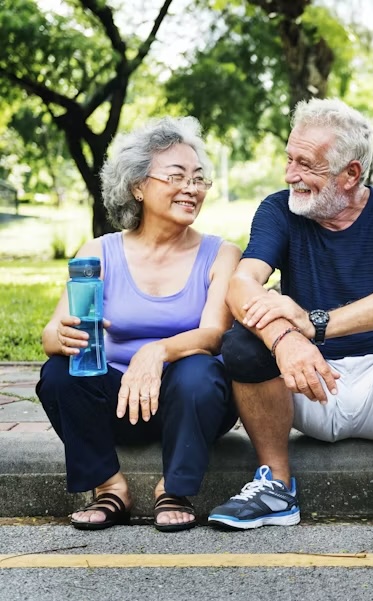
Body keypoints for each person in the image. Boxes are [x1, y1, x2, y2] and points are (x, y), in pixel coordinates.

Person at [206, 98, 373, 535]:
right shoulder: (279, 209)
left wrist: (315, 323)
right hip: (306, 385)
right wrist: (286, 340)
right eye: (290, 159)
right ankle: (275, 484)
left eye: (307, 165)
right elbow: (242, 285)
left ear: (351, 174)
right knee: (243, 338)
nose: (291, 174)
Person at [36, 117, 241, 532]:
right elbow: (49, 335)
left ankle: (174, 488)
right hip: (116, 403)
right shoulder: (100, 251)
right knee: (58, 373)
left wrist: (158, 350)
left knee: (200, 370)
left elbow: (214, 334)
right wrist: (63, 336)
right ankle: (109, 487)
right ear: (138, 186)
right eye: (177, 176)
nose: (192, 188)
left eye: (199, 179)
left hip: (190, 406)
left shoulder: (222, 253)